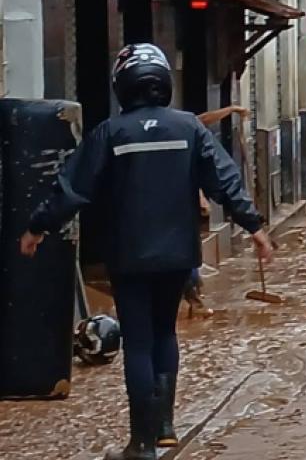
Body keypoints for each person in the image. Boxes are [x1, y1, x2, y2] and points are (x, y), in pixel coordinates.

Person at [19, 43, 272, 460]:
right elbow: (225, 181)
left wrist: (37, 227)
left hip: (129, 256)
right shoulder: (189, 128)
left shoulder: (110, 133)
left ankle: (142, 444)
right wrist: (255, 227)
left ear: (123, 85)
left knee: (138, 343)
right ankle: (166, 428)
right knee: (165, 333)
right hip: (178, 256)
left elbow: (71, 189)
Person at [184, 104, 251, 315]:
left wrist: (231, 110)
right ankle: (194, 300)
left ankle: (194, 296)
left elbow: (201, 119)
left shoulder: (183, 128)